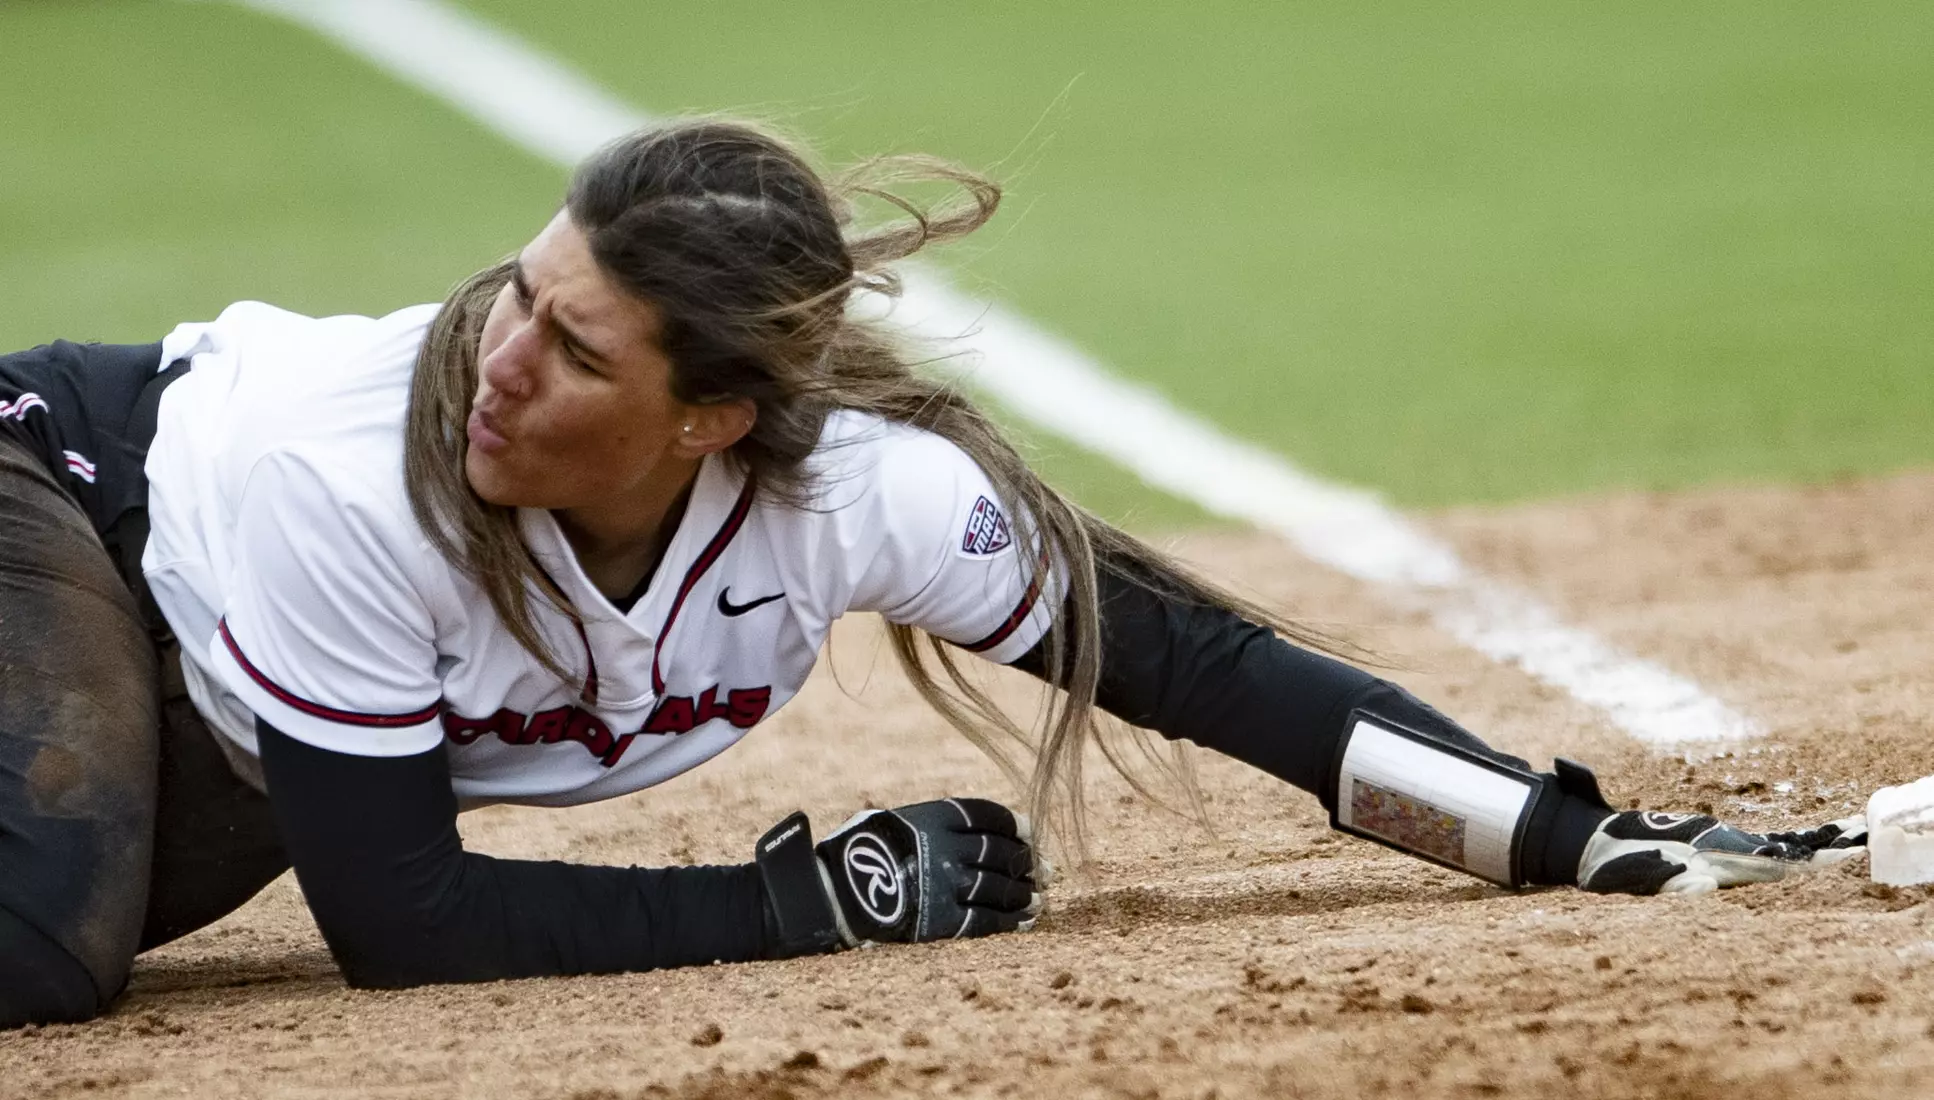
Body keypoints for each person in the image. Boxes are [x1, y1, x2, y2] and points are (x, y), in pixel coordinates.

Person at [0, 120, 1866, 1028]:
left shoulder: (856, 498)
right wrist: (796, 906)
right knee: (46, 950)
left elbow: (1195, 667)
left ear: (716, 417)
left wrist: (1548, 832)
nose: (499, 356)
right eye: (519, 294)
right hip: (60, 494)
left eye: (576, 350)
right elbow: (402, 933)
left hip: (220, 695)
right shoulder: (356, 482)